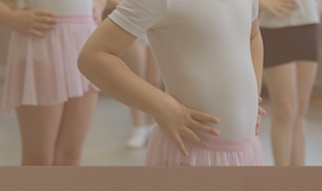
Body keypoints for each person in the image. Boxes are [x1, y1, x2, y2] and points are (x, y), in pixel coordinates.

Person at [79, 0, 266, 166]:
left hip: (246, 146)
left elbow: (253, 36)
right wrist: (162, 106)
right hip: (190, 151)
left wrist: (253, 96)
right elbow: (93, 56)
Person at [0, 0, 101, 165]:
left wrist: (100, 4)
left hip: (85, 39)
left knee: (71, 155)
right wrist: (8, 17)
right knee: (39, 159)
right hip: (41, 39)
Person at [258, 0, 322, 167]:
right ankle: (283, 180)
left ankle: (299, 179)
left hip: (307, 21)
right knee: (284, 109)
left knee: (301, 108)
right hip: (274, 24)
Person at [103, 0, 162, 149]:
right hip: (132, 25)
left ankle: (152, 125)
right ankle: (138, 127)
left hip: (156, 25)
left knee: (154, 81)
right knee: (135, 79)